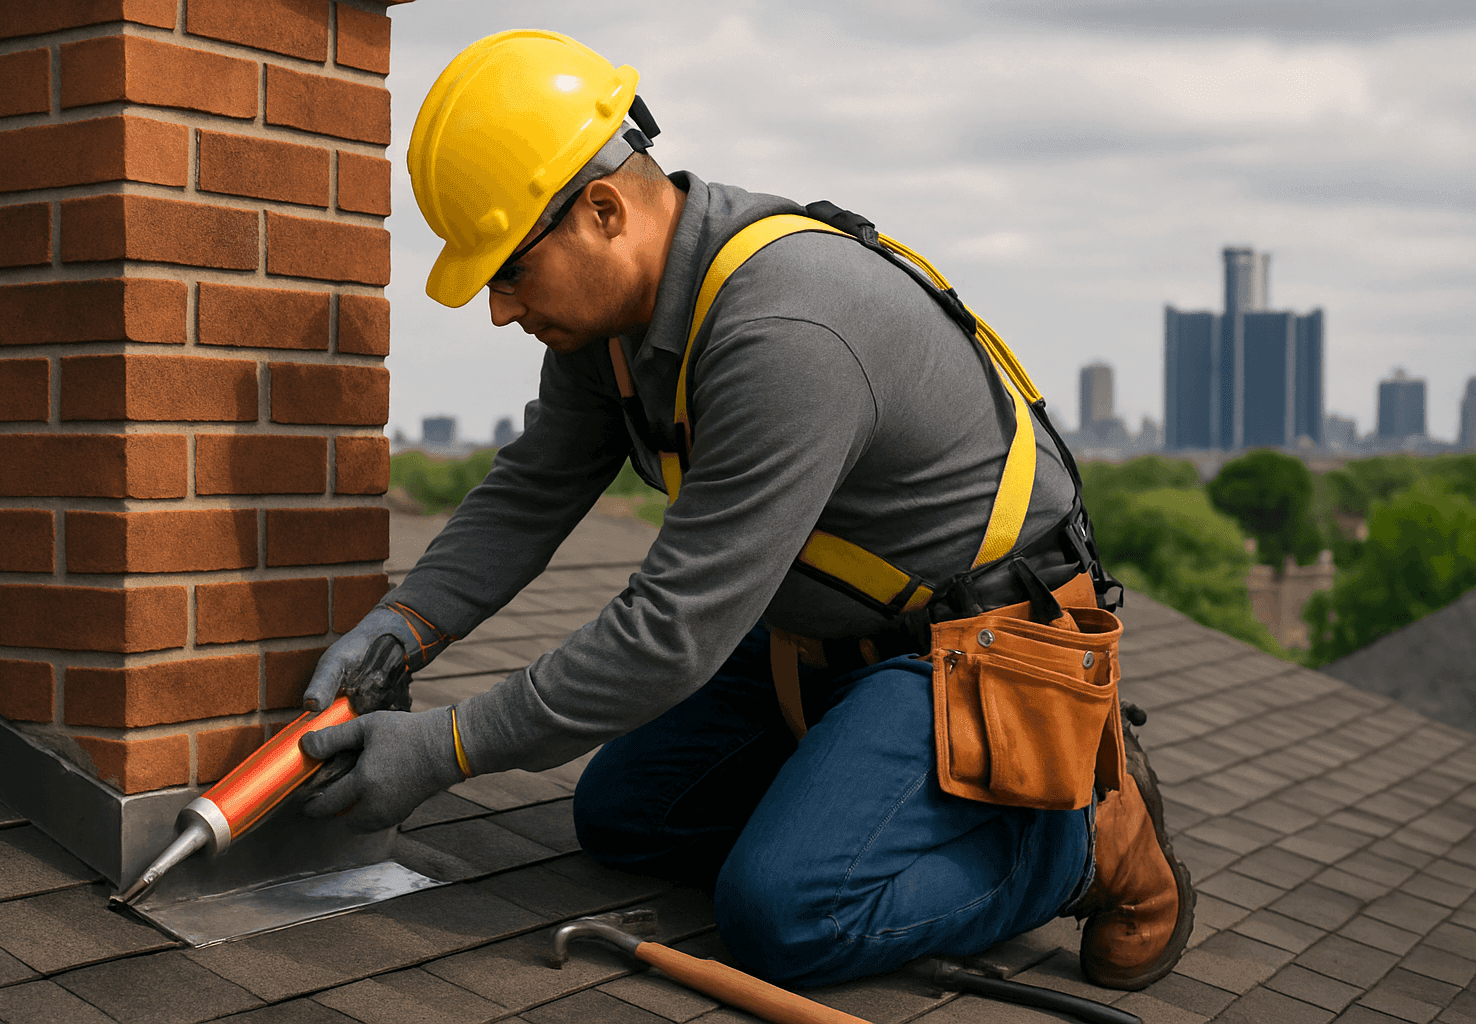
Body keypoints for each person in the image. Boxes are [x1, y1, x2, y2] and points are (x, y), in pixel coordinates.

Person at [299, 29, 1194, 991]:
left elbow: (671, 634)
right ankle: (859, 805)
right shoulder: (610, 330)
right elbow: (534, 488)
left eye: (509, 270)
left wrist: (444, 748)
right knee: (623, 816)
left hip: (970, 648)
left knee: (783, 915)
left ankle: (1081, 843)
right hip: (819, 643)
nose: (499, 311)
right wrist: (404, 625)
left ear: (602, 209)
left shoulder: (783, 331)